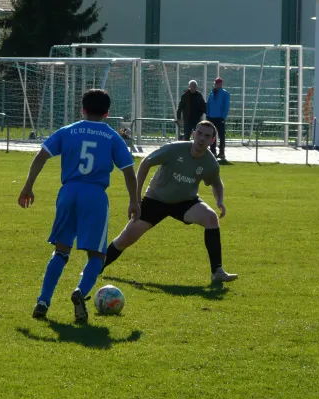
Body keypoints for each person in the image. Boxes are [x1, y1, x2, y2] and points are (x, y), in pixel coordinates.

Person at [18, 89, 141, 324]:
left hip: (68, 192)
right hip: (94, 195)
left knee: (61, 251)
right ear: (107, 113)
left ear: (82, 109)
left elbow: (41, 156)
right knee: (97, 255)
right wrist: (134, 200)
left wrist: (28, 187)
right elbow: (128, 171)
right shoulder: (112, 136)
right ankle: (80, 291)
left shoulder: (68, 131)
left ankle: (43, 300)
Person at [100, 120, 238, 283]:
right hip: (156, 199)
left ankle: (217, 272)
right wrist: (136, 198)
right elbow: (145, 163)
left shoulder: (210, 163)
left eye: (207, 136)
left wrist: (220, 200)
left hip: (185, 202)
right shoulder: (174, 149)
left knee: (210, 217)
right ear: (194, 134)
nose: (202, 138)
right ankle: (94, 269)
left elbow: (216, 183)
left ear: (212, 140)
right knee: (125, 239)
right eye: (199, 133)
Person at [206, 77, 231, 160]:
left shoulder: (225, 94)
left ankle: (222, 152)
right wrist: (208, 115)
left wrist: (223, 116)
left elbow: (226, 106)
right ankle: (213, 151)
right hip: (211, 117)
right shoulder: (212, 93)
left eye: (218, 83)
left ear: (221, 84)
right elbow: (208, 104)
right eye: (215, 83)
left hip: (220, 118)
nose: (216, 85)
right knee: (212, 135)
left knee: (221, 135)